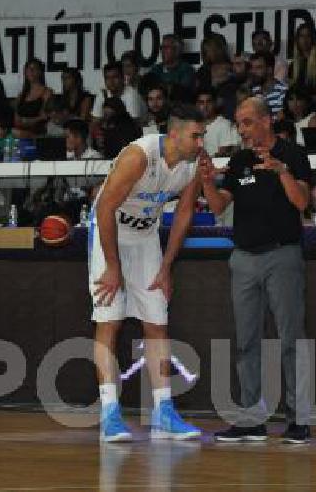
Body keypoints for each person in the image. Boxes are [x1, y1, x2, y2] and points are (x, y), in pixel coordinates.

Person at [90, 104, 205, 442]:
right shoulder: (139, 156)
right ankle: (109, 413)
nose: (200, 142)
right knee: (109, 321)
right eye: (195, 135)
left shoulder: (193, 163)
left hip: (145, 238)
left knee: (157, 322)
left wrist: (166, 266)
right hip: (109, 233)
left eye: (202, 136)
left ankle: (163, 411)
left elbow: (184, 215)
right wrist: (113, 266)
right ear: (173, 134)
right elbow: (105, 207)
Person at [201, 97, 313, 444]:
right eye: (239, 123)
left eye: (248, 122)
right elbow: (220, 206)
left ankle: (299, 420)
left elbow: (302, 203)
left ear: (267, 121)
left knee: (291, 338)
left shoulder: (293, 155)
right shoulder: (239, 160)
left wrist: (282, 173)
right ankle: (251, 420)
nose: (243, 130)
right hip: (243, 259)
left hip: (282, 255)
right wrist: (207, 182)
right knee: (247, 341)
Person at [287, 23, 316, 108]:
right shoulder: (293, 65)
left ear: (313, 39)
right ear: (297, 40)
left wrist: (307, 100)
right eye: (301, 36)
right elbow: (291, 92)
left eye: (308, 36)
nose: (305, 40)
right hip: (299, 109)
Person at [196, 87, 240, 156]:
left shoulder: (224, 124)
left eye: (209, 102)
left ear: (215, 103)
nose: (205, 106)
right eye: (201, 103)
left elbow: (224, 152)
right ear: (197, 105)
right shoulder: (194, 127)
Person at [250, 51, 287, 119]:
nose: (253, 71)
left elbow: (280, 122)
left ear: (269, 70)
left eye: (258, 67)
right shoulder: (253, 91)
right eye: (252, 67)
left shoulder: (283, 91)